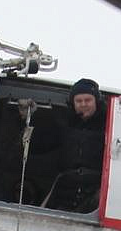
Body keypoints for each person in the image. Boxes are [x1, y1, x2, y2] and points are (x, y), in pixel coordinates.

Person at [28, 77, 108, 210]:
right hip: (64, 189)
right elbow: (37, 147)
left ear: (97, 102)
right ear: (73, 103)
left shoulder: (108, 127)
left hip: (95, 190)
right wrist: (31, 118)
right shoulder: (64, 125)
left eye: (87, 100)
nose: (83, 104)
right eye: (79, 101)